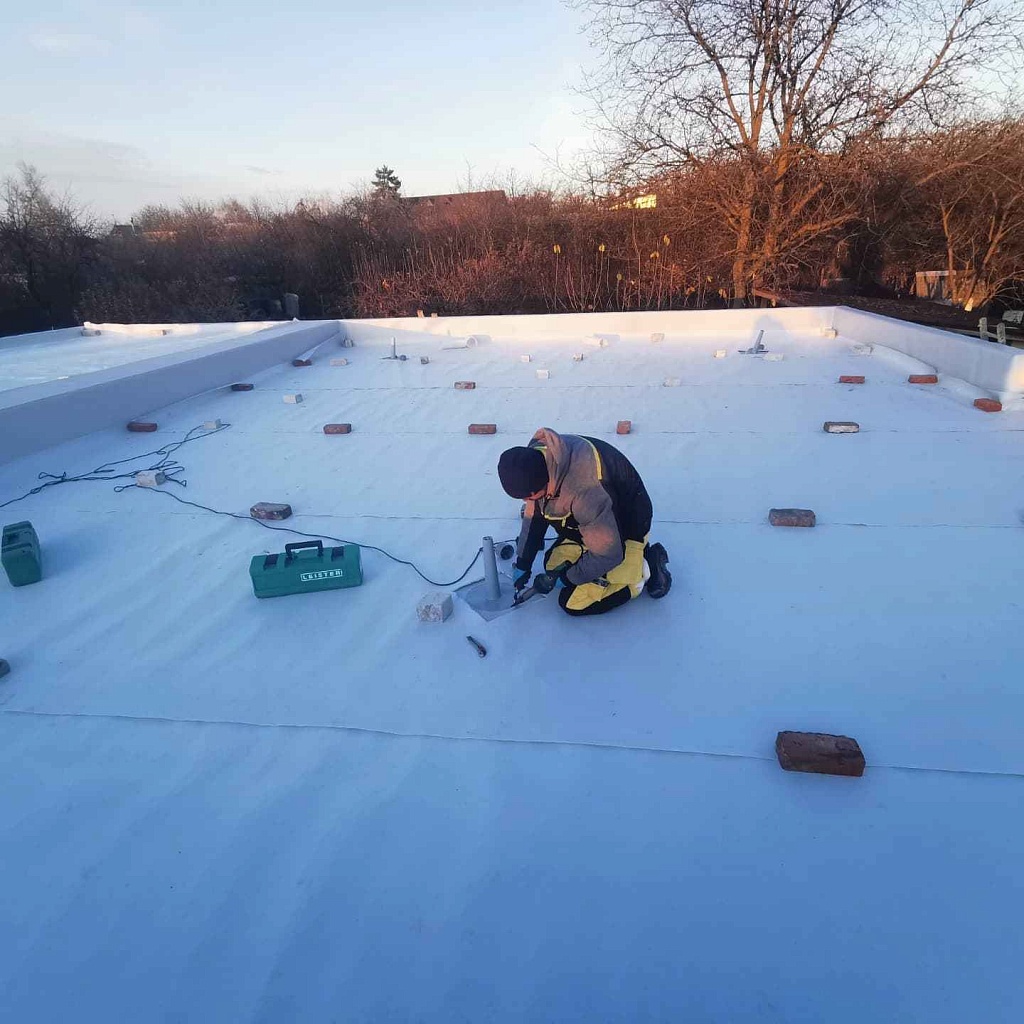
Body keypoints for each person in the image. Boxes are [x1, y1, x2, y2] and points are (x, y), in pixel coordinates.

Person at [498, 427, 671, 616]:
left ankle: (645, 569)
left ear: (542, 483)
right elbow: (535, 516)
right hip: (594, 521)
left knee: (573, 602)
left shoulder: (584, 489)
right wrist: (523, 562)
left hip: (626, 525)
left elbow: (608, 554)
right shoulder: (537, 459)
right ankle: (598, 554)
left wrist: (568, 578)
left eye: (528, 496)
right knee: (552, 565)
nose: (526, 502)